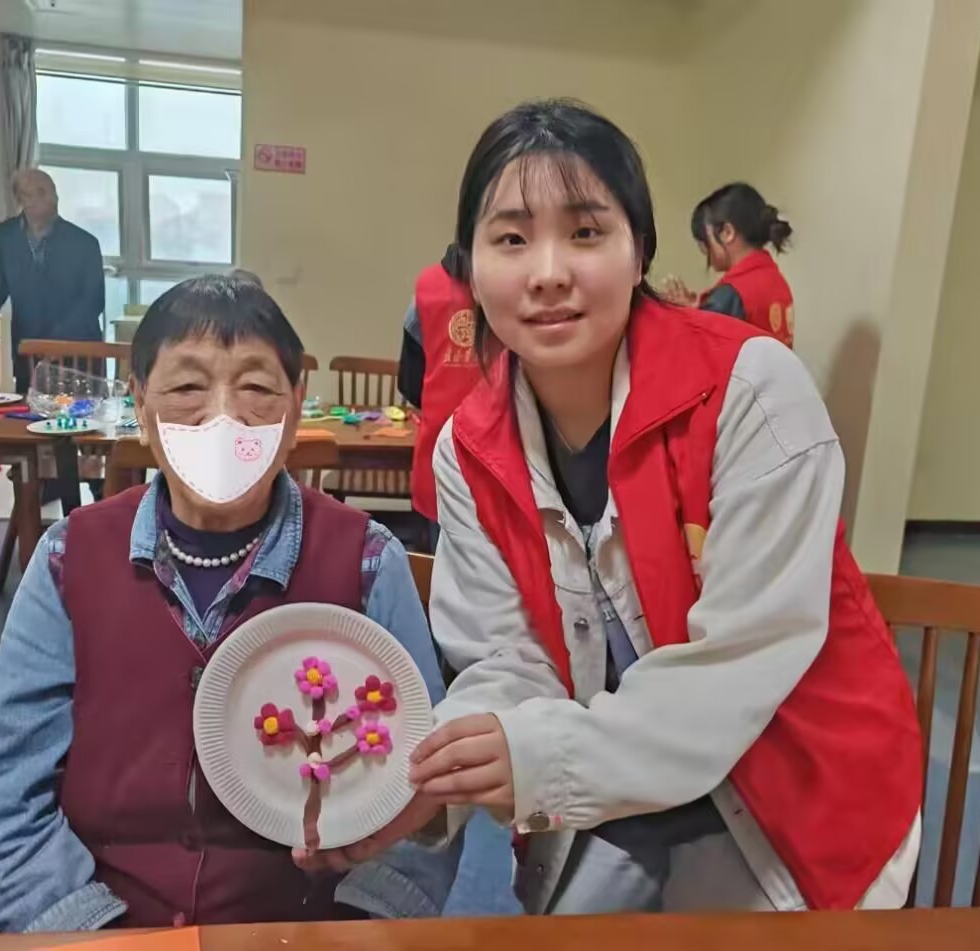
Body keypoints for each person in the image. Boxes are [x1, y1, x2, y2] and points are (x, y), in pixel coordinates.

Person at [354, 100, 921, 915]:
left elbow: (738, 666)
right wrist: (443, 768)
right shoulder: (467, 450)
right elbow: (505, 658)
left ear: (640, 249)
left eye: (586, 232)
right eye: (511, 239)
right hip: (618, 794)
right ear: (469, 267)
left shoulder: (751, 390)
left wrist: (538, 758)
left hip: (794, 789)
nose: (548, 272)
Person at [0, 274, 512, 930]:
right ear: (141, 406)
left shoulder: (368, 561)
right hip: (103, 925)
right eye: (187, 388)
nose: (223, 418)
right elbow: (3, 796)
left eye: (255, 388)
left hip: (307, 929)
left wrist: (358, 930)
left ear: (296, 406)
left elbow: (423, 802)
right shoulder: (67, 557)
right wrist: (85, 930)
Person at [0, 168, 106, 395]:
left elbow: (93, 301)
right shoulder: (4, 237)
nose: (52, 198)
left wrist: (56, 342)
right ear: (21, 199)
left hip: (78, 352)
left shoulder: (84, 243)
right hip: (29, 351)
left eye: (52, 191)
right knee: (30, 412)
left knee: (84, 414)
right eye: (41, 192)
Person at [397, 245, 483, 526]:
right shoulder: (517, 284)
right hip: (505, 461)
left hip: (439, 451)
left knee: (441, 547)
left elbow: (410, 383)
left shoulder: (427, 287)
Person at [662, 183, 796, 348]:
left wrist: (679, 316)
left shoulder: (731, 295)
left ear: (727, 233)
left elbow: (697, 350)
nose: (705, 252)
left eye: (704, 243)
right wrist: (699, 310)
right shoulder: (776, 280)